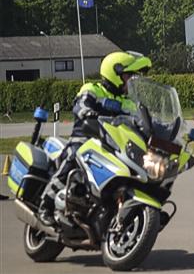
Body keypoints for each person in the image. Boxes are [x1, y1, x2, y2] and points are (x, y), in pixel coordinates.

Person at [39, 51, 152, 225]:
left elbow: (140, 122)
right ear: (116, 74)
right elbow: (80, 105)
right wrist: (88, 111)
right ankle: (45, 205)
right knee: (73, 156)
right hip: (85, 137)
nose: (132, 81)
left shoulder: (128, 102)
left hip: (112, 144)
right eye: (129, 76)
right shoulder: (92, 89)